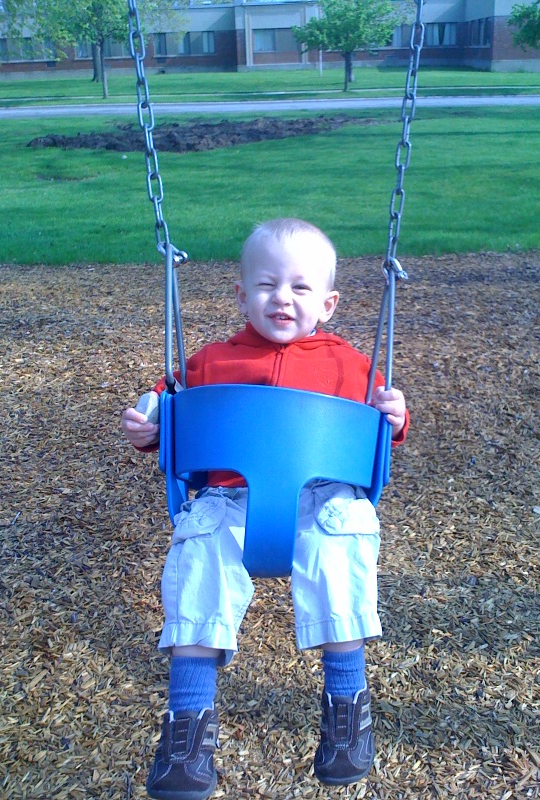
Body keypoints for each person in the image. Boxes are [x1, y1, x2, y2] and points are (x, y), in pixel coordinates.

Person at [122, 218, 409, 800]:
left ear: (327, 303)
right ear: (241, 294)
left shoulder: (351, 365)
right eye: (267, 284)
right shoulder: (208, 361)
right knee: (199, 562)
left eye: (300, 288)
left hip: (321, 497)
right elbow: (167, 404)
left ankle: (347, 710)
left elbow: (381, 428)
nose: (282, 298)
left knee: (343, 546)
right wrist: (147, 420)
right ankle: (187, 733)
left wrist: (397, 417)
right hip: (230, 498)